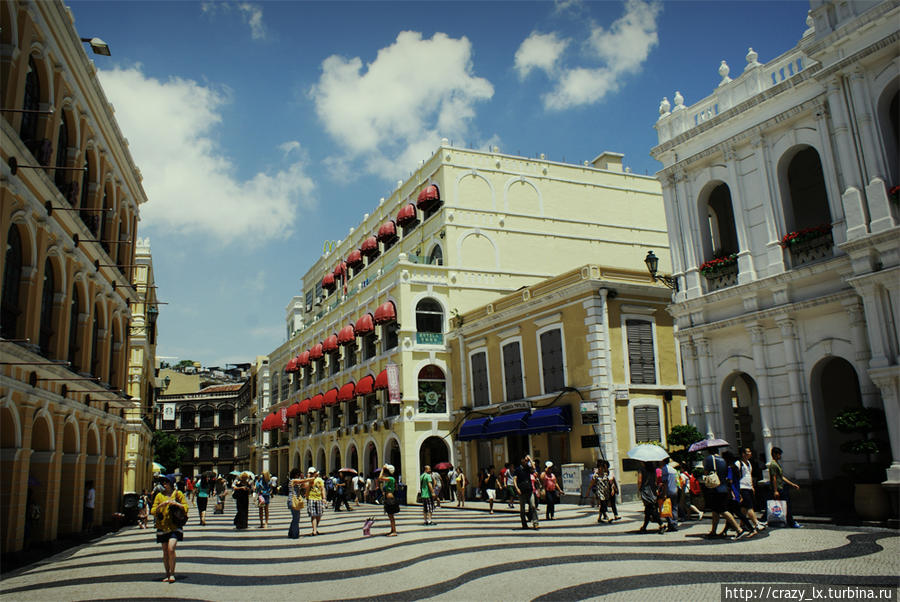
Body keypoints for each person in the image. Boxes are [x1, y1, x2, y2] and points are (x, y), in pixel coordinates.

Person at [150, 475, 188, 583]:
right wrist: (160, 506)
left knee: (171, 549)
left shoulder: (178, 494)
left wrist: (176, 504)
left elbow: (186, 507)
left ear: (171, 483)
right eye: (163, 482)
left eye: (166, 482)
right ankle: (167, 573)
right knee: (165, 551)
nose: (164, 484)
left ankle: (172, 573)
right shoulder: (159, 496)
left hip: (175, 526)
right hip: (162, 526)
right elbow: (153, 511)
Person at [703, 449, 746, 539]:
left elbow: (706, 472)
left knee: (723, 510)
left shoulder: (709, 459)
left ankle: (739, 529)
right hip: (724, 488)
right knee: (715, 510)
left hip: (715, 488)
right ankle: (713, 531)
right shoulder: (723, 460)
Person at [768, 446, 802, 528]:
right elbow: (774, 478)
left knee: (784, 505)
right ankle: (791, 522)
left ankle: (787, 521)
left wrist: (792, 484)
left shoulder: (776, 464)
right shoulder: (773, 465)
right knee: (786, 505)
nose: (780, 456)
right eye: (779, 454)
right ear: (775, 454)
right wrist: (775, 490)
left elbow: (781, 477)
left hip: (781, 487)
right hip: (778, 488)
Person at [736, 448, 764, 533]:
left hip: (748, 487)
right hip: (742, 487)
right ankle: (756, 523)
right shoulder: (738, 463)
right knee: (749, 506)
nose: (750, 453)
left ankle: (742, 524)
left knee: (744, 508)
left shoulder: (748, 463)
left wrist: (752, 486)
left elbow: (749, 475)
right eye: (748, 452)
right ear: (743, 454)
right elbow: (736, 477)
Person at [287, 468, 315, 539]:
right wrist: (311, 478)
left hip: (294, 501)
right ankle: (295, 534)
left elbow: (305, 485)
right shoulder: (293, 480)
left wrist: (306, 479)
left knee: (295, 517)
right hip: (293, 501)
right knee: (296, 518)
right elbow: (302, 481)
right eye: (298, 474)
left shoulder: (296, 481)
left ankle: (291, 533)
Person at [637, 461, 665, 534]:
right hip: (652, 490)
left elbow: (640, 480)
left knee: (651, 509)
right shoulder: (653, 469)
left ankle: (661, 524)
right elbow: (655, 480)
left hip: (645, 491)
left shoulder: (641, 469)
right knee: (648, 509)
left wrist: (639, 489)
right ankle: (644, 527)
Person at [514, 455, 539, 530]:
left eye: (526, 460)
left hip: (529, 490)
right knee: (522, 509)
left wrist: (530, 459)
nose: (526, 461)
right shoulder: (518, 469)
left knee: (533, 506)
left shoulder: (528, 468)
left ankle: (535, 523)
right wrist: (517, 488)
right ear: (521, 461)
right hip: (521, 491)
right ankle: (524, 524)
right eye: (525, 460)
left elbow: (534, 468)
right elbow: (514, 480)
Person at [660, 458, 679, 532]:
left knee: (667, 507)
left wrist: (664, 493)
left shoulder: (665, 469)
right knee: (674, 508)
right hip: (674, 490)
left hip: (668, 491)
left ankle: (671, 524)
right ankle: (675, 523)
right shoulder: (673, 469)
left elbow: (665, 482)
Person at [379, 464, 399, 536]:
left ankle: (394, 531)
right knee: (390, 516)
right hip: (388, 498)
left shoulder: (391, 478)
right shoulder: (390, 479)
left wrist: (383, 469)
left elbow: (380, 477)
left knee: (391, 516)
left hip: (390, 499)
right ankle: (392, 530)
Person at [305, 467, 326, 536]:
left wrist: (324, 498)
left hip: (319, 498)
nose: (311, 474)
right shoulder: (308, 480)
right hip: (311, 498)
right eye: (310, 473)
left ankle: (315, 528)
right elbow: (306, 488)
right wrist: (309, 481)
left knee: (319, 514)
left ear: (315, 473)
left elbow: (322, 489)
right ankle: (314, 530)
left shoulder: (319, 480)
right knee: (313, 515)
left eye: (312, 473)